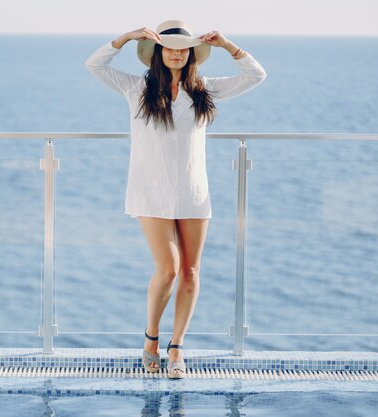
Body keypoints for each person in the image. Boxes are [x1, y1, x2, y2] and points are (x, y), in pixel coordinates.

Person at [85, 20, 266, 379]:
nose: (177, 52)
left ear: (192, 54)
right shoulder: (137, 87)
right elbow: (94, 65)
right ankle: (151, 339)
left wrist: (228, 45)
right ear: (156, 52)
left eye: (184, 47)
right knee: (167, 269)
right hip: (150, 192)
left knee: (191, 271)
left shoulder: (204, 90)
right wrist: (127, 37)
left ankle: (177, 347)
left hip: (194, 193)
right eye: (170, 47)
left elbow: (256, 75)